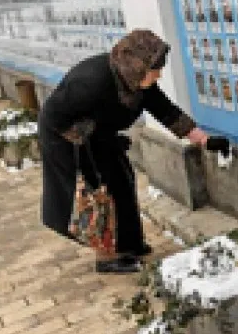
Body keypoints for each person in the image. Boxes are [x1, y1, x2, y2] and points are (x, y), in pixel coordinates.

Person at [39, 31, 209, 273]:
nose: (159, 75)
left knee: (122, 181)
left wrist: (201, 138)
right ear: (137, 67)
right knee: (98, 191)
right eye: (156, 70)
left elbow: (164, 110)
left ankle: (129, 243)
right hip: (67, 138)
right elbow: (58, 117)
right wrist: (93, 160)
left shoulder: (136, 79)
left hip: (98, 135)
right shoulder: (92, 81)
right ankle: (106, 257)